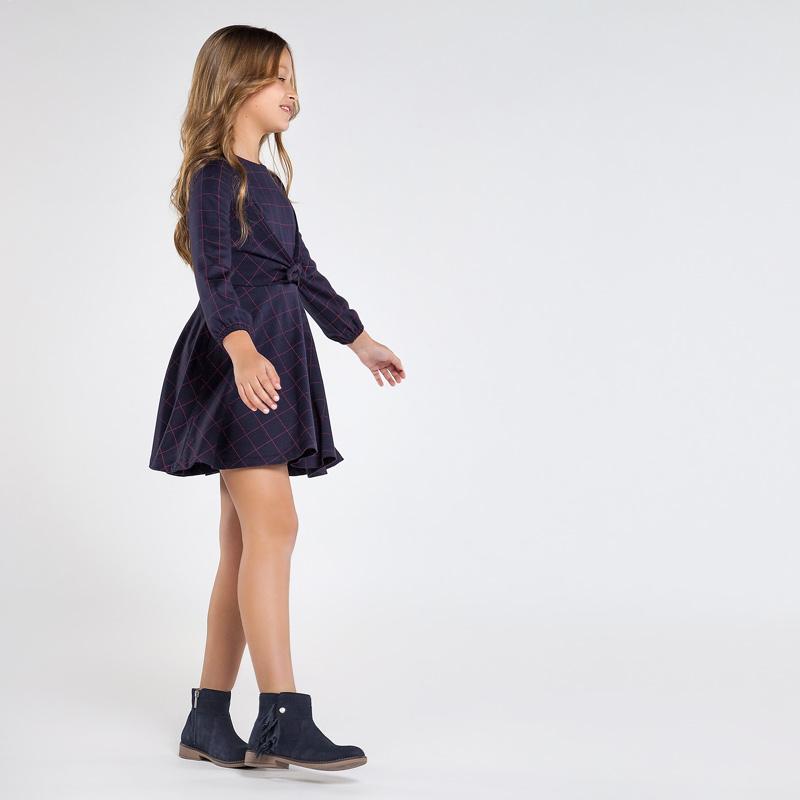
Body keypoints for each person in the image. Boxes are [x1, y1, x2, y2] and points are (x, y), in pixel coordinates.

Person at [148, 24, 405, 772]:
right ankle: (283, 716)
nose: (291, 92)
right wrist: (239, 347)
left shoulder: (263, 180)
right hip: (242, 359)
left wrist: (358, 339)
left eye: (293, 77)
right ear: (234, 85)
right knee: (275, 528)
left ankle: (208, 719)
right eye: (275, 77)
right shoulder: (214, 177)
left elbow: (303, 271)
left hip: (272, 352)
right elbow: (212, 275)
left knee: (242, 543)